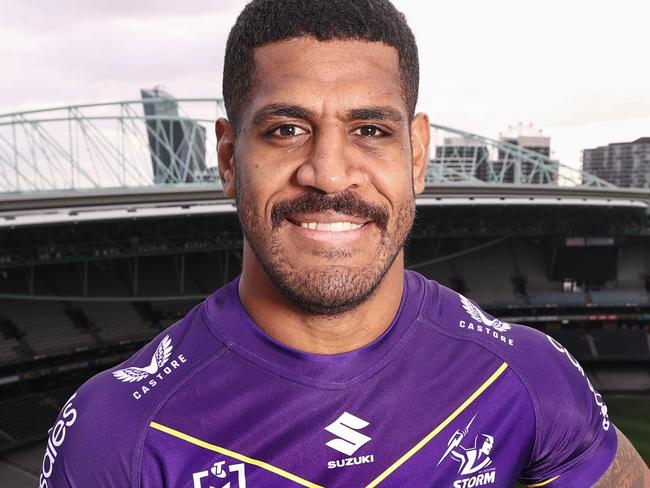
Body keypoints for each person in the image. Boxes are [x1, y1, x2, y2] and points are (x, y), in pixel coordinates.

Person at [41, 0, 649, 486]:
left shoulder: (523, 376)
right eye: (286, 129)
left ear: (415, 153)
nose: (329, 175)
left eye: (369, 129)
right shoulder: (116, 434)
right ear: (229, 157)